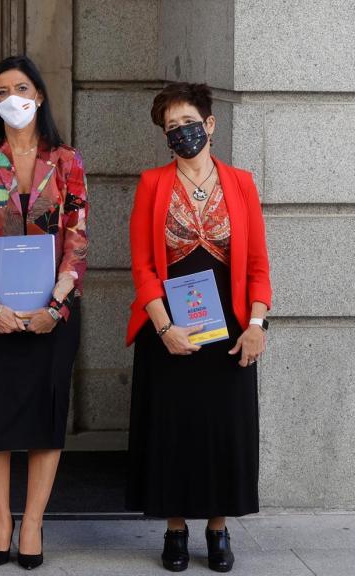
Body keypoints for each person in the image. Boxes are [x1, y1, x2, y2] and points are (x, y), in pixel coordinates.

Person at [126, 82, 271, 573]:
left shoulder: (242, 183)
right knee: (172, 428)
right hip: (169, 326)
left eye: (189, 123)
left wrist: (256, 323)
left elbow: (257, 264)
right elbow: (143, 266)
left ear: (209, 125)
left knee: (222, 429)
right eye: (172, 128)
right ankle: (173, 529)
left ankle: (217, 527)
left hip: (229, 328)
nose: (182, 133)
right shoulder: (151, 184)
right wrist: (164, 328)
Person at [0, 55, 88, 570]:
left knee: (45, 416)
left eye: (23, 87)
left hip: (52, 314)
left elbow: (78, 238)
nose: (14, 97)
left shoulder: (68, 160)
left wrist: (58, 304)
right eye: (4, 90)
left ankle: (31, 523)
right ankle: (1, 520)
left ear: (39, 94)